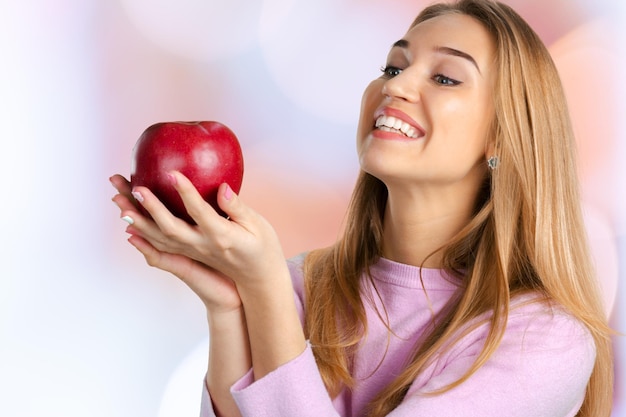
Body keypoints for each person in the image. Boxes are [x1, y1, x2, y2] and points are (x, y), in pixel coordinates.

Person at [110, 0, 614, 416]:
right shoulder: (300, 285)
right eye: (393, 67)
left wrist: (263, 290)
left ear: (504, 136)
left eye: (445, 78)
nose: (394, 86)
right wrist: (227, 307)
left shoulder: (542, 340)